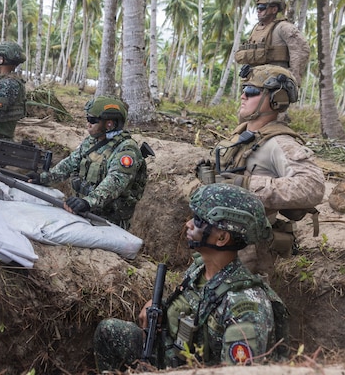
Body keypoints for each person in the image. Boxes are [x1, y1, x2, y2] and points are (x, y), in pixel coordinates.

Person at [93, 183, 289, 372]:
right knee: (109, 331)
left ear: (221, 238)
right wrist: (158, 306)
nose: (188, 224)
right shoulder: (199, 269)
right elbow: (192, 309)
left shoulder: (246, 308)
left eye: (198, 221)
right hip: (173, 358)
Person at [195, 64, 325, 275]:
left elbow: (313, 185)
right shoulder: (241, 136)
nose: (243, 96)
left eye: (252, 91)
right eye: (243, 89)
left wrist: (247, 185)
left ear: (276, 99)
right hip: (215, 238)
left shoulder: (280, 143)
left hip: (248, 250)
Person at [26, 96, 148, 230]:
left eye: (93, 120)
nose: (87, 124)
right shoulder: (92, 141)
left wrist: (88, 202)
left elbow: (115, 182)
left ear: (109, 124)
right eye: (87, 119)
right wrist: (45, 178)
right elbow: (70, 163)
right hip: (84, 211)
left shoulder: (126, 150)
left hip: (108, 221)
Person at [235, 0, 310, 86]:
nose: (258, 10)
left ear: (274, 10)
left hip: (275, 84)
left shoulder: (284, 27)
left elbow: (300, 50)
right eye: (257, 7)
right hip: (253, 82)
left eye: (262, 8)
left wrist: (292, 77)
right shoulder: (256, 29)